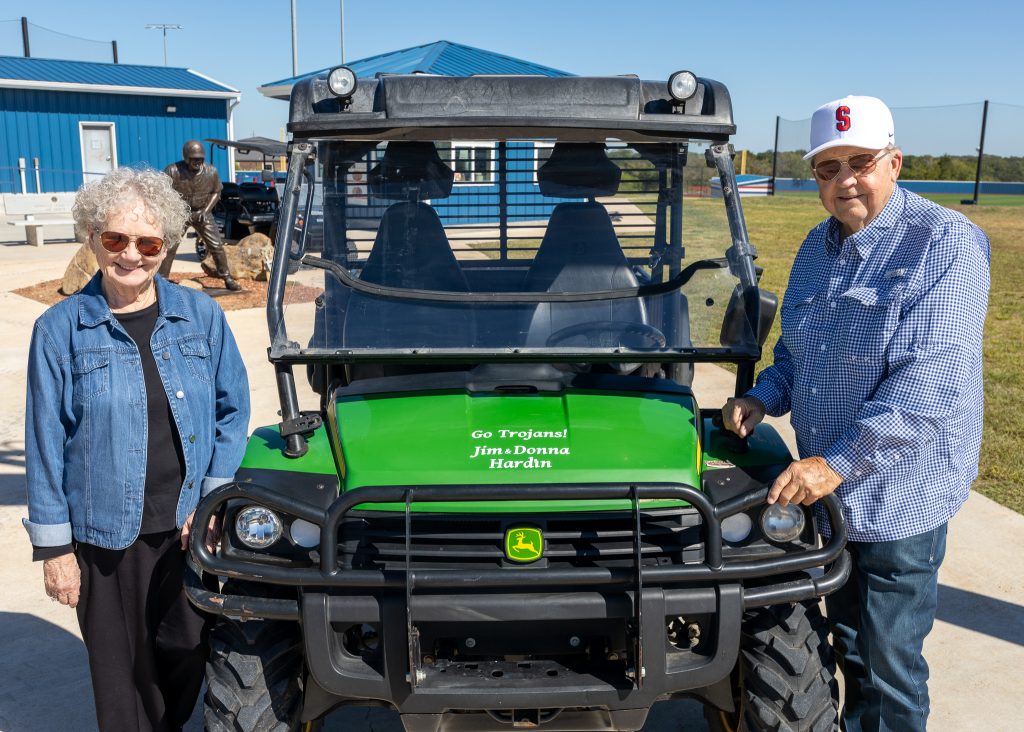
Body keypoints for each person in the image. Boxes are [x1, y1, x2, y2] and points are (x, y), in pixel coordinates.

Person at [723, 96, 989, 731]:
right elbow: (797, 351)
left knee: (888, 665)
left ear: (894, 163)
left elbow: (929, 387)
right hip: (833, 494)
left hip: (900, 495)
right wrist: (763, 396)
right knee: (844, 642)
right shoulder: (818, 247)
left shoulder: (945, 244)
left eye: (860, 162)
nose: (844, 180)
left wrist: (834, 465)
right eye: (827, 168)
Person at [24, 166, 251, 731]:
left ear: (165, 244)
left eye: (147, 242)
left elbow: (233, 412)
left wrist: (214, 499)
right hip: (103, 536)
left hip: (186, 525)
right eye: (115, 239)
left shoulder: (200, 316)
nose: (131, 255)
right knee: (120, 675)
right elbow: (45, 441)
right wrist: (55, 551)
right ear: (94, 238)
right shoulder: (61, 330)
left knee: (185, 651)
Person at [162, 140, 241, 291]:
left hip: (203, 212)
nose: (198, 162)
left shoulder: (211, 171)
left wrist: (206, 211)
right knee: (170, 246)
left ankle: (227, 277)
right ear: (186, 158)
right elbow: (162, 192)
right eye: (194, 159)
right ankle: (162, 278)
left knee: (216, 246)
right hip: (180, 214)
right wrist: (174, 211)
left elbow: (217, 192)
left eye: (200, 158)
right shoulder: (172, 171)